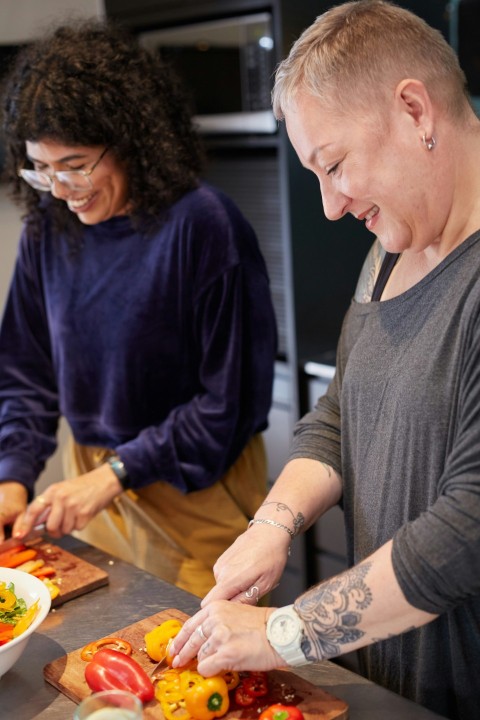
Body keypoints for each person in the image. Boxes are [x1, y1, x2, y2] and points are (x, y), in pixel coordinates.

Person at [170, 2, 480, 718]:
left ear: (414, 110)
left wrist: (284, 632)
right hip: (395, 687)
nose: (331, 206)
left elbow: (466, 530)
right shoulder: (393, 247)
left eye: (334, 165)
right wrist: (271, 525)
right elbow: (344, 410)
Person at [0, 20, 277, 598]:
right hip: (96, 487)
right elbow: (26, 374)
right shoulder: (48, 230)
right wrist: (12, 474)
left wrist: (118, 473)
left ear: (129, 140)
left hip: (197, 490)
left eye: (75, 164)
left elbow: (229, 405)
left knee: (203, 659)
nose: (60, 188)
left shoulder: (205, 227)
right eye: (41, 169)